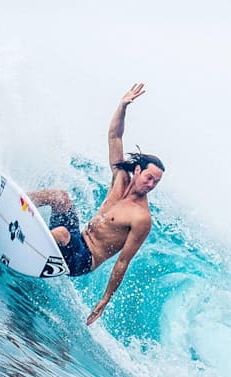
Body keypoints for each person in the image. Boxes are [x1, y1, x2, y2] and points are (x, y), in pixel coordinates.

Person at [28, 83, 164, 326]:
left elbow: (123, 261)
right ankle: (19, 204)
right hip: (77, 238)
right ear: (137, 170)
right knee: (59, 196)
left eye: (156, 182)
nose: (151, 184)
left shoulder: (141, 218)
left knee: (61, 233)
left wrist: (105, 299)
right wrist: (122, 106)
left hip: (82, 259)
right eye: (149, 177)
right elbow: (114, 137)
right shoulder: (120, 178)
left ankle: (27, 244)